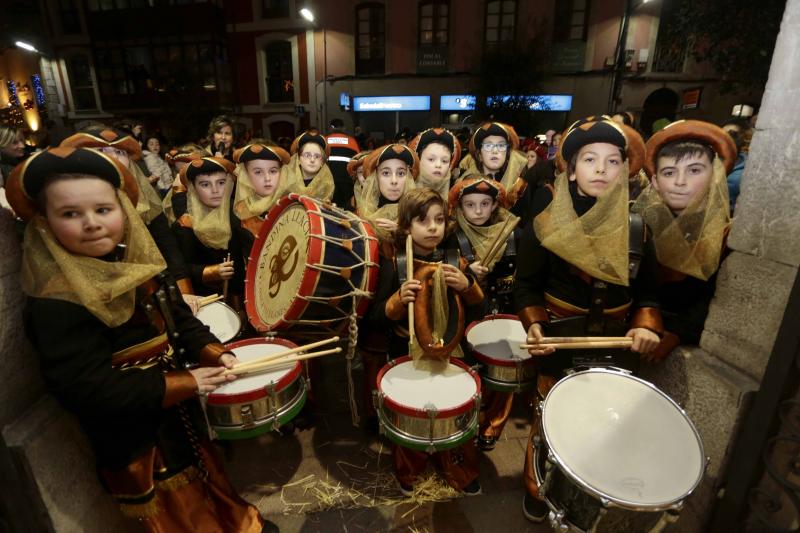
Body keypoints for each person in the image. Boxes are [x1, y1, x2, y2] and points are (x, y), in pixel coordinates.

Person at [5, 147, 275, 532]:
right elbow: (84, 387)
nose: (91, 223)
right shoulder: (55, 300)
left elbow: (179, 318)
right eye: (70, 214)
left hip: (176, 409)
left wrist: (214, 352)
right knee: (178, 511)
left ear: (124, 210)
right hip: (134, 434)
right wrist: (186, 382)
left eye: (103, 209)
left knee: (208, 472)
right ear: (44, 222)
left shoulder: (134, 263)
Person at [513, 116, 663, 522]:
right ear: (571, 168)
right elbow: (525, 285)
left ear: (626, 169)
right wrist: (535, 325)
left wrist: (646, 325)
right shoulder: (544, 225)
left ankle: (594, 489)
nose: (601, 169)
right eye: (590, 159)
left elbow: (649, 292)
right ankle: (538, 485)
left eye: (613, 161)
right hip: (560, 336)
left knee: (604, 421)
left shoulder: (637, 229)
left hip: (616, 342)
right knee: (551, 415)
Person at [365, 188, 485, 496]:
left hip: (451, 351)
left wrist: (468, 285)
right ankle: (411, 467)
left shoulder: (454, 258)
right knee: (413, 414)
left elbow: (479, 314)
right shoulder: (396, 263)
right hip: (406, 352)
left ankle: (456, 465)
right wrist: (395, 302)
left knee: (452, 413)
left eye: (439, 220)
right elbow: (375, 318)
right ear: (406, 226)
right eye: (422, 220)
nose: (433, 227)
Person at [633, 120, 735, 360]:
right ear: (655, 182)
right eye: (670, 172)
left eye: (694, 170)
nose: (680, 182)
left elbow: (713, 303)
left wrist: (678, 334)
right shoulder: (638, 222)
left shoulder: (725, 236)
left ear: (715, 177)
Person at [60, 126, 195, 297]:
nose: (113, 158)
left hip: (150, 290)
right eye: (101, 150)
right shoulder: (66, 204)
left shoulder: (145, 201)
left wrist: (185, 293)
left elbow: (168, 248)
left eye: (120, 152)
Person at [448, 176, 521, 450]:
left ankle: (492, 424)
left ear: (494, 206)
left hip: (502, 314)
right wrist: (467, 273)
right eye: (470, 204)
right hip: (467, 317)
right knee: (469, 370)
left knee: (503, 375)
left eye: (485, 203)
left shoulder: (513, 233)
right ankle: (466, 419)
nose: (478, 210)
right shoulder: (451, 237)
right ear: (460, 208)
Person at [171, 156, 244, 302]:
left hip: (238, 298)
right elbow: (181, 269)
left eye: (221, 183)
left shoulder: (238, 217)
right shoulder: (186, 225)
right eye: (205, 185)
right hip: (205, 300)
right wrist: (212, 271)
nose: (215, 190)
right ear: (194, 189)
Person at [459, 122, 530, 224]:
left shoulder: (520, 187)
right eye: (488, 145)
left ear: (507, 153)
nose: (495, 151)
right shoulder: (465, 183)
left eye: (501, 145)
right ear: (479, 154)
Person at [232, 142, 291, 259]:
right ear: (246, 175)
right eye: (258, 172)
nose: (267, 178)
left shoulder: (290, 207)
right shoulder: (238, 212)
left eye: (273, 171)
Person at [354, 144, 418, 244]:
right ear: (375, 178)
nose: (394, 181)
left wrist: (403, 233)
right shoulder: (360, 214)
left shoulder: (419, 212)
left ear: (408, 178)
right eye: (386, 173)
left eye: (401, 173)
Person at [408, 127, 461, 203]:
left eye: (444, 161)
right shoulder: (403, 196)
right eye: (431, 159)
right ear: (418, 161)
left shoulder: (457, 200)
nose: (438, 165)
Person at [282, 129, 335, 202]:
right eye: (307, 155)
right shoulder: (285, 182)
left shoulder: (327, 185)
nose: (312, 160)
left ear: (322, 161)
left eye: (317, 156)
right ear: (298, 158)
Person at [325, 118, 361, 210]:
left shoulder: (325, 140)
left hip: (328, 182)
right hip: (347, 182)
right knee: (346, 210)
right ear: (343, 128)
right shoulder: (352, 142)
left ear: (331, 128)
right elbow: (358, 161)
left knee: (330, 209)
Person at [721, 117, 751, 213]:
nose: (726, 138)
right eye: (721, 134)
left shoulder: (746, 170)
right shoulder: (710, 159)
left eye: (733, 134)